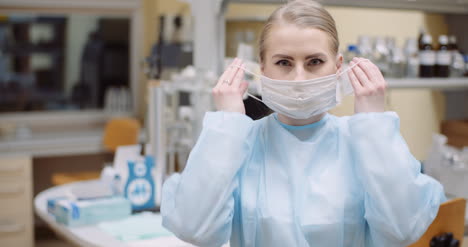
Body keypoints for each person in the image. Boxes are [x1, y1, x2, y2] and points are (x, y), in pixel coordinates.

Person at [160, 1, 446, 246]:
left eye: (314, 62)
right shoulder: (237, 146)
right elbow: (194, 228)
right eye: (284, 63)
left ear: (337, 67)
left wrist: (373, 123)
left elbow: (404, 229)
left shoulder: (365, 144)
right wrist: (227, 125)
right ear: (262, 69)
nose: (299, 79)